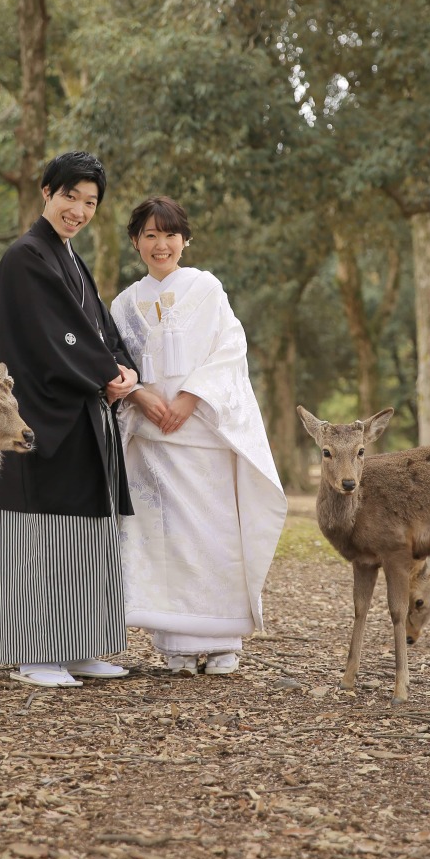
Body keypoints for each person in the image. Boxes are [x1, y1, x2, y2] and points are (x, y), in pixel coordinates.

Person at [110, 196, 287, 676]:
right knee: (163, 538)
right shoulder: (124, 304)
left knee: (212, 534)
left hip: (203, 433)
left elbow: (230, 349)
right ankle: (177, 645)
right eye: (150, 235)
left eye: (170, 234)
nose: (161, 244)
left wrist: (189, 398)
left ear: (185, 240)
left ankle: (224, 641)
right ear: (135, 242)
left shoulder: (207, 289)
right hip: (152, 438)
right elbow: (117, 362)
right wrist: (142, 395)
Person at [0, 151, 138, 688]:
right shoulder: (25, 256)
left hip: (80, 411)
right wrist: (105, 371)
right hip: (40, 412)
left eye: (90, 202)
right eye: (69, 197)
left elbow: (97, 327)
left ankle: (80, 646)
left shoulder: (70, 259)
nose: (78, 210)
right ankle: (34, 652)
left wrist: (123, 369)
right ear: (47, 193)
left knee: (86, 535)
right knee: (42, 533)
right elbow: (56, 336)